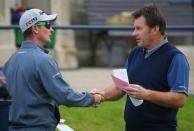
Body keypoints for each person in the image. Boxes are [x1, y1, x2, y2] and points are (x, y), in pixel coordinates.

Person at [91, 4, 189, 131]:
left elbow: (180, 99)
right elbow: (121, 87)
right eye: (134, 28)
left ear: (155, 29)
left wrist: (146, 94)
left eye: (138, 28)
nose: (133, 33)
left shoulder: (175, 58)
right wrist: (101, 95)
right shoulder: (135, 52)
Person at [3, 8, 103, 131]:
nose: (51, 29)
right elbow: (64, 95)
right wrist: (92, 98)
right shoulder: (43, 60)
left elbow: (34, 94)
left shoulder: (10, 61)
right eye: (47, 24)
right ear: (35, 28)